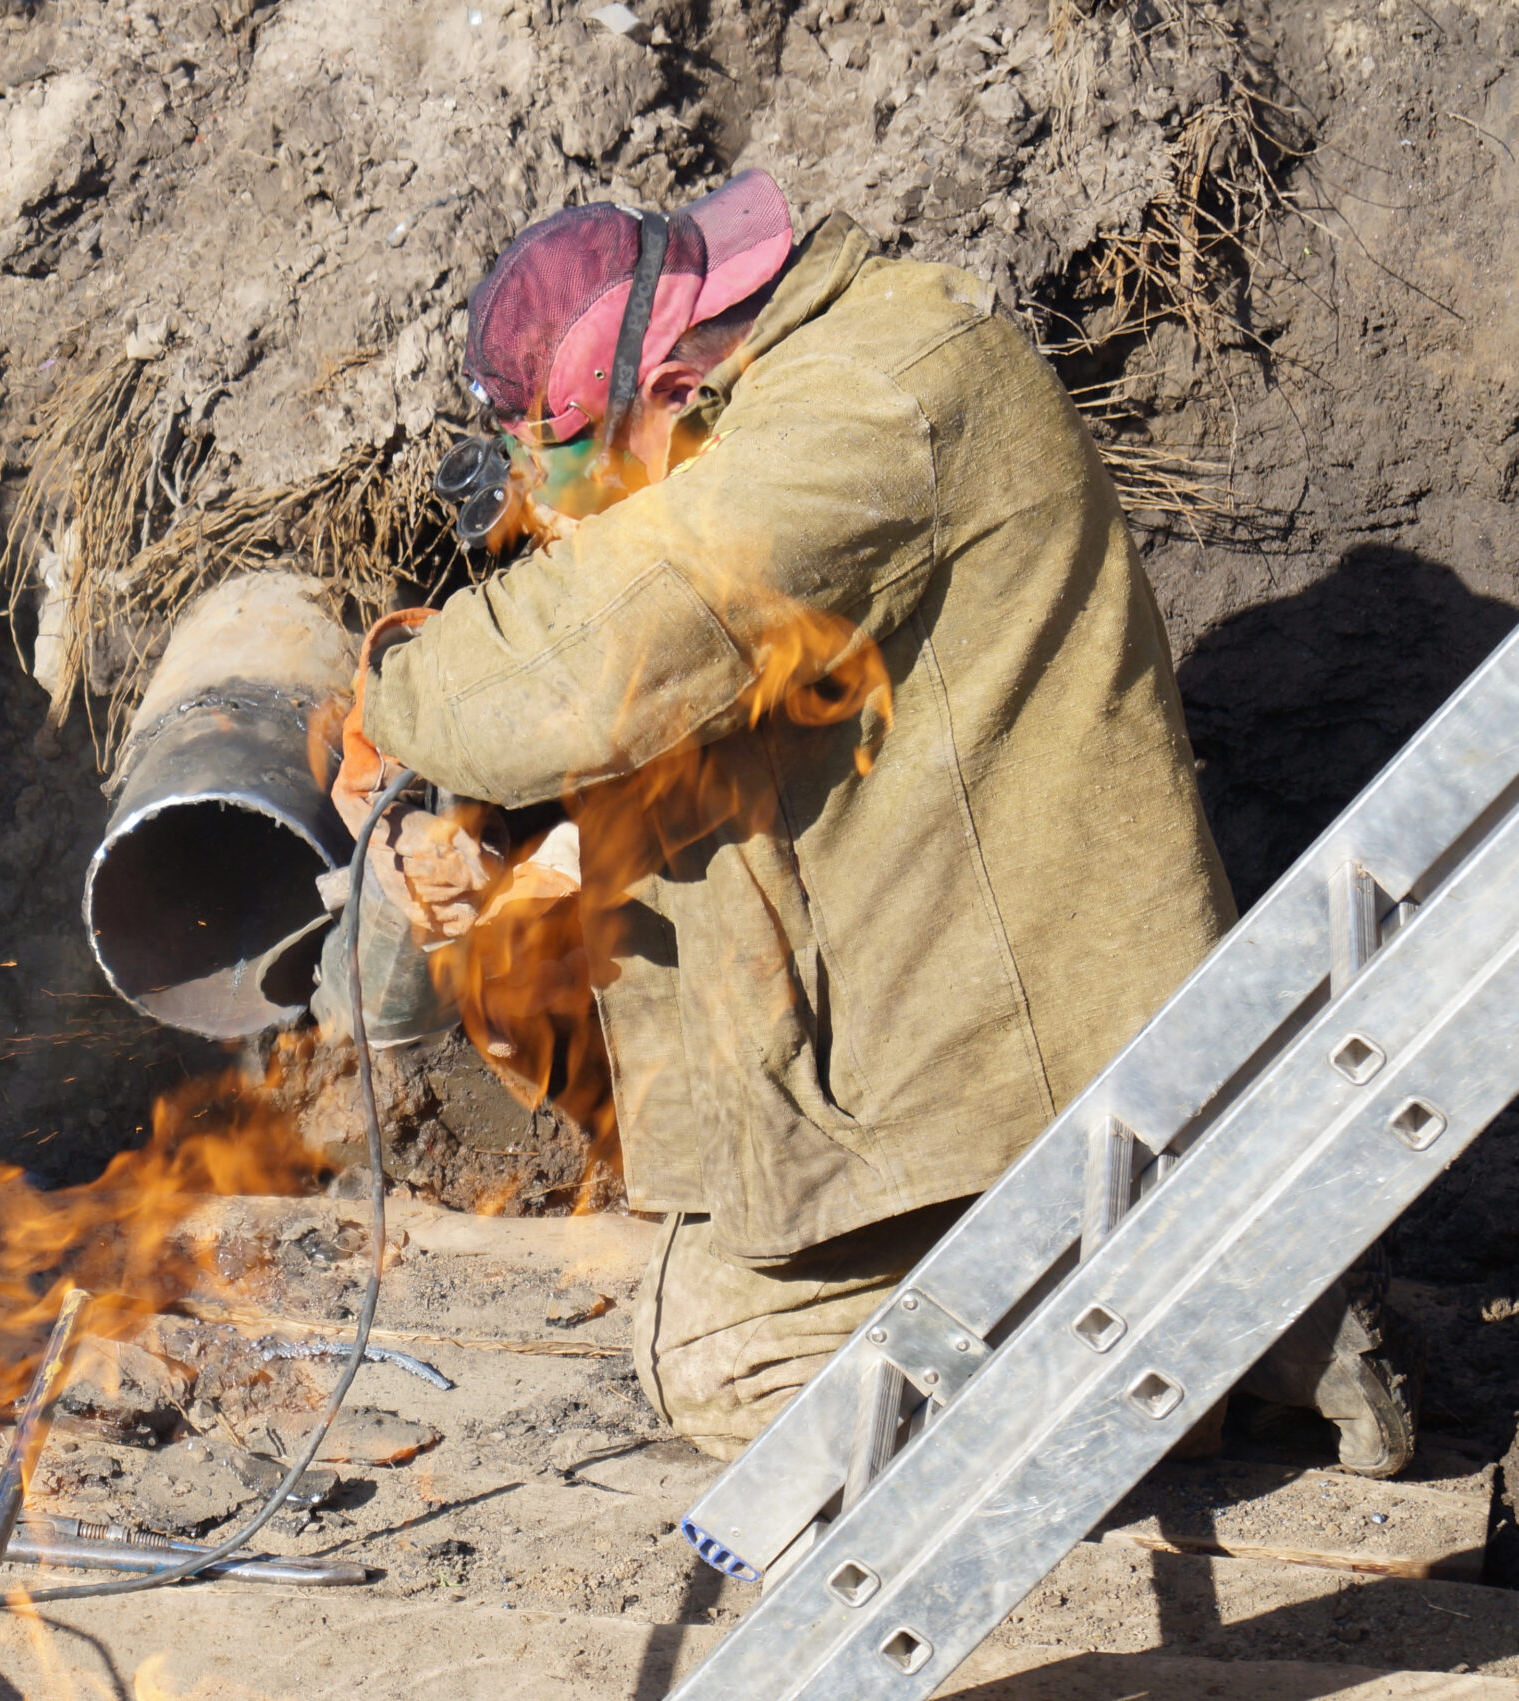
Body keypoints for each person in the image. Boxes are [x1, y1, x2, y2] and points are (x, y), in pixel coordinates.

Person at [323, 170, 1417, 1473]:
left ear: (669, 386)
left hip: (1038, 1058)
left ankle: (1205, 1311)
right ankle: (1217, 1277)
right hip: (941, 987)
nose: (578, 517)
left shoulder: (864, 410)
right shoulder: (819, 373)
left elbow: (591, 660)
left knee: (713, 1349)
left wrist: (394, 693)